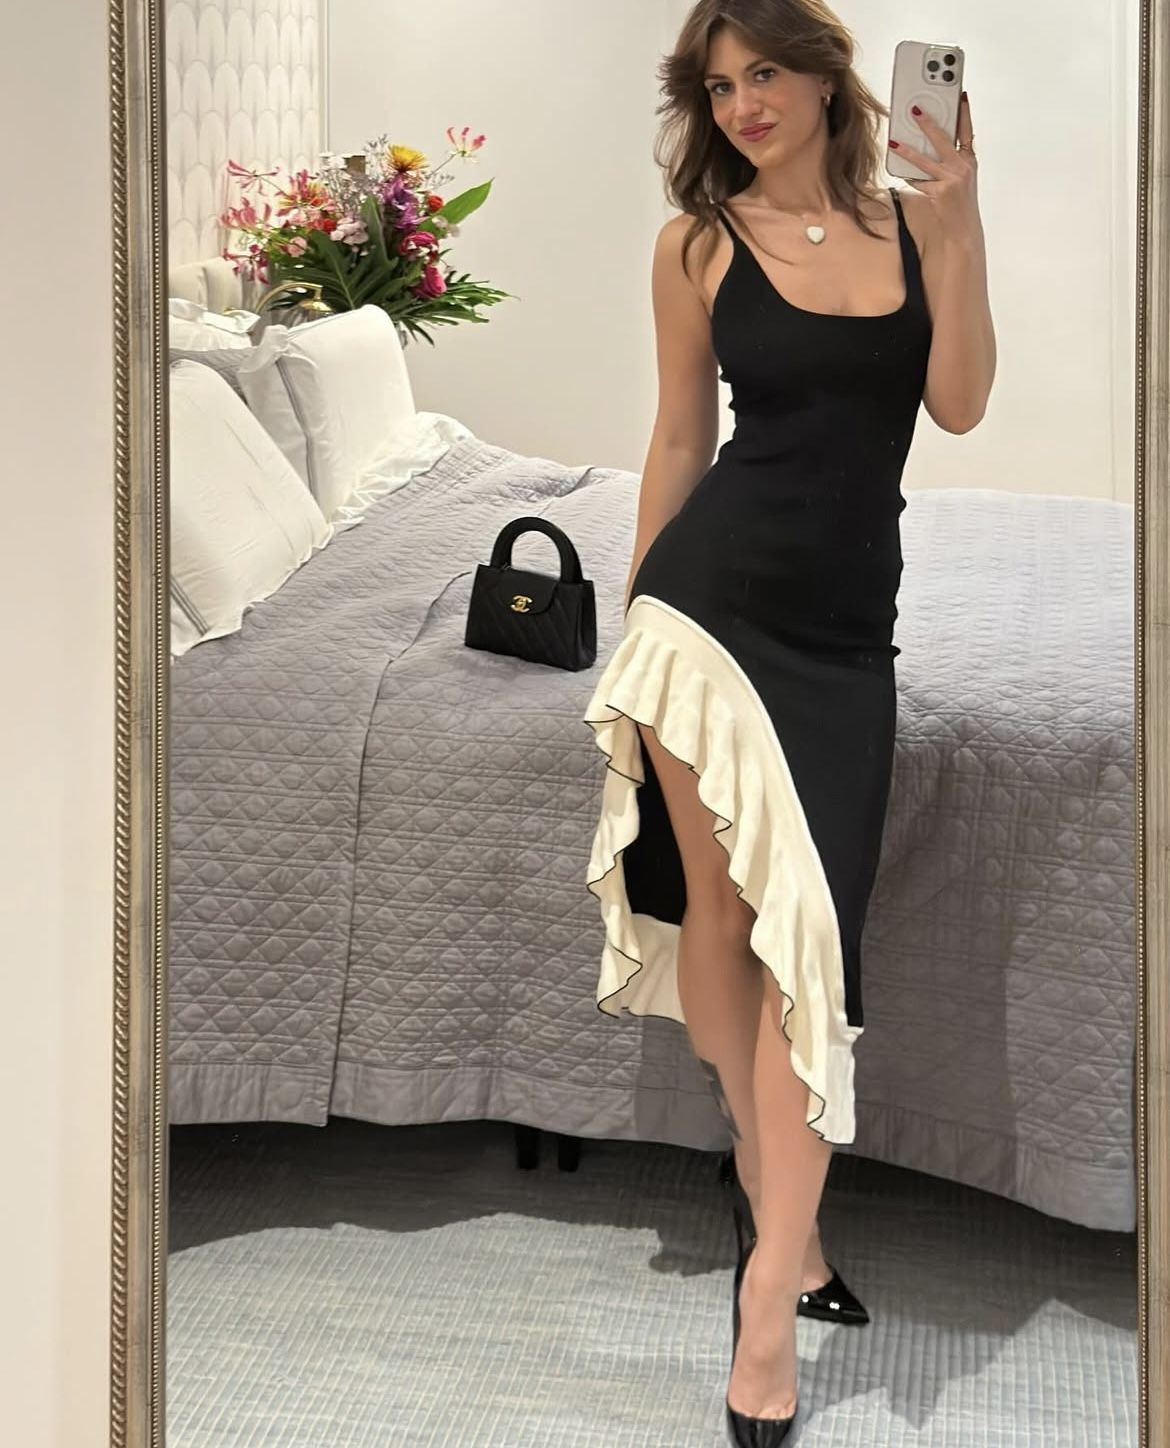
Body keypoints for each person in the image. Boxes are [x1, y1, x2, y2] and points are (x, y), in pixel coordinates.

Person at [583, 1, 995, 1441]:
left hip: (841, 637)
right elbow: (678, 437)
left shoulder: (916, 226)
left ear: (826, 79)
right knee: (723, 916)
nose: (743, 103)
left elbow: (958, 404)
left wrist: (961, 224)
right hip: (708, 611)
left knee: (812, 941)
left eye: (765, 72)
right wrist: (635, 625)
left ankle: (773, 1214)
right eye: (719, 85)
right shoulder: (695, 246)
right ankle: (774, 1280)